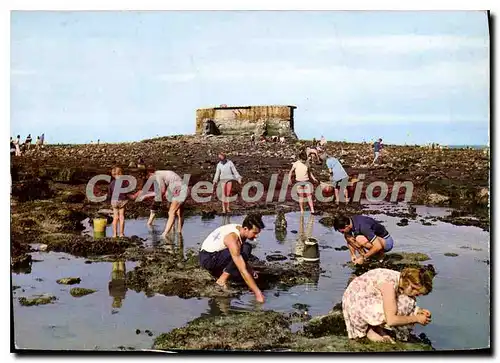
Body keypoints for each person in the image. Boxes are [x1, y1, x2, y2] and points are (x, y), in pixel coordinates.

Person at [342, 267, 433, 343]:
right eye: (417, 293)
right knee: (406, 303)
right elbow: (391, 320)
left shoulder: (400, 278)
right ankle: (369, 329)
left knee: (408, 301)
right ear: (410, 285)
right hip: (356, 303)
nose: (417, 296)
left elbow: (398, 295)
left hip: (363, 296)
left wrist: (417, 310)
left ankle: (375, 326)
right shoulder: (389, 284)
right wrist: (416, 318)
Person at [199, 213, 265, 303]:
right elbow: (242, 269)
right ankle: (222, 280)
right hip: (208, 259)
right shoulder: (233, 238)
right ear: (246, 228)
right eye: (255, 233)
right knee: (245, 249)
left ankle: (221, 273)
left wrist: (250, 269)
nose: (256, 236)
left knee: (245, 248)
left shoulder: (239, 228)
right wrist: (258, 293)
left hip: (211, 254)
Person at [135, 168, 186, 237]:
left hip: (179, 190)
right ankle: (179, 233)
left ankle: (164, 234)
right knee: (179, 212)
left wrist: (146, 196)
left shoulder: (157, 175)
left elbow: (162, 191)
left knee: (171, 212)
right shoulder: (161, 173)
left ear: (149, 174)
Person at [108, 167, 131, 238]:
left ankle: (114, 234)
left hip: (114, 201)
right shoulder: (124, 182)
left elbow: (110, 193)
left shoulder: (111, 183)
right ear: (121, 174)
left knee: (115, 218)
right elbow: (127, 191)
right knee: (121, 217)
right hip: (122, 200)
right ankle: (121, 234)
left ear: (113, 175)